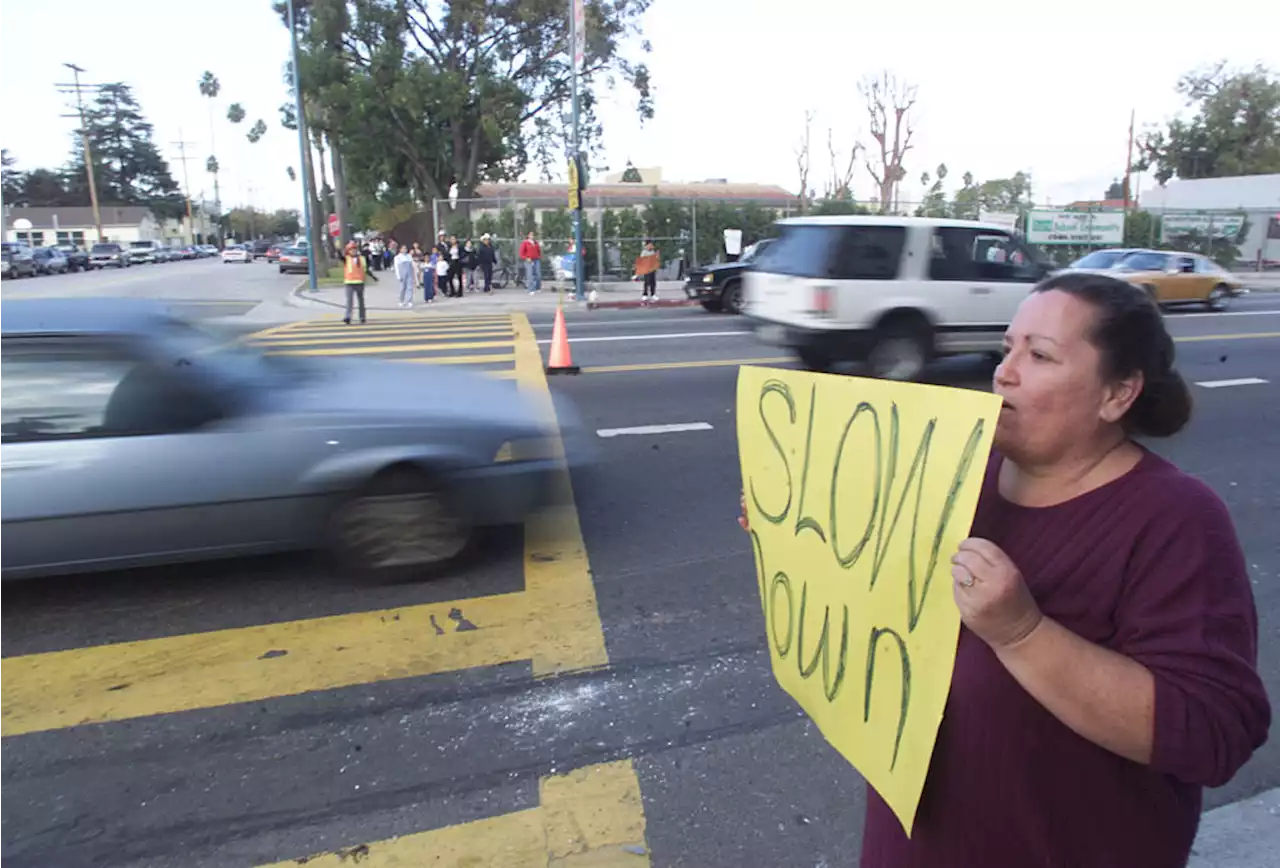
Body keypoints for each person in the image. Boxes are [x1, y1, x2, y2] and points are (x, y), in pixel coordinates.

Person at [739, 272, 1271, 868]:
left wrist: (1023, 633)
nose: (1004, 371)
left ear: (1116, 395)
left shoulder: (1174, 518)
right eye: (1008, 346)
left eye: (1039, 355)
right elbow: (878, 612)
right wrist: (802, 536)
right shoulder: (950, 471)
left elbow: (1211, 735)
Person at [341, 240, 377, 324]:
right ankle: (348, 317)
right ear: (348, 251)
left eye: (354, 249)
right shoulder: (346, 259)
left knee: (361, 300)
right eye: (351, 249)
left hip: (359, 282)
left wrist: (373, 276)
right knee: (349, 300)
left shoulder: (361, 258)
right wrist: (337, 248)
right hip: (349, 282)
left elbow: (365, 269)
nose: (353, 251)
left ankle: (362, 317)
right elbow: (339, 256)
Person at [394, 243, 415, 308]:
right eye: (403, 248)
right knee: (402, 288)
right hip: (402, 273)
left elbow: (412, 265)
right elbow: (396, 267)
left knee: (410, 287)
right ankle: (401, 301)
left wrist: (414, 274)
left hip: (409, 273)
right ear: (400, 249)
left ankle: (409, 301)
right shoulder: (397, 257)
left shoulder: (409, 256)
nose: (405, 250)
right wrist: (398, 276)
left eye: (405, 248)